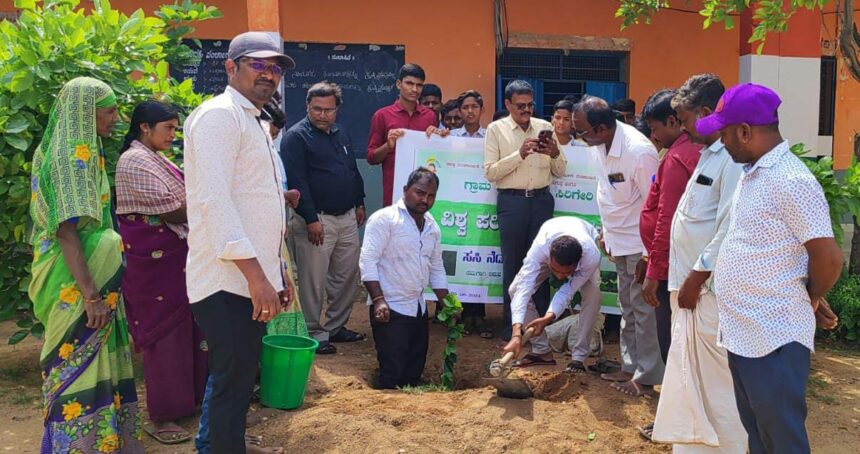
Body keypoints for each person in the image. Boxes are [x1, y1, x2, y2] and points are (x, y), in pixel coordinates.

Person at [704, 83, 842, 453]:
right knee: (759, 436)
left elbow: (828, 257)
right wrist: (805, 291)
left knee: (782, 440)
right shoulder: (756, 172)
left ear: (745, 132)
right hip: (746, 331)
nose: (721, 141)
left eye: (725, 132)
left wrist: (809, 297)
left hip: (773, 336)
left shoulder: (791, 180)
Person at [184, 31, 294, 454]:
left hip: (247, 279)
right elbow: (217, 203)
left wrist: (275, 269)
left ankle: (223, 445)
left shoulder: (251, 118)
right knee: (233, 381)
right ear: (231, 67)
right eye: (258, 65)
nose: (268, 74)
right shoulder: (219, 117)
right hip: (226, 281)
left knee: (237, 377)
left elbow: (258, 204)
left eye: (275, 68)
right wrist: (256, 277)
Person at [28, 77, 143, 453]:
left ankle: (103, 441)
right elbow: (66, 231)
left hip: (87, 277)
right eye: (109, 110)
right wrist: (91, 295)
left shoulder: (87, 150)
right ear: (84, 113)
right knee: (74, 358)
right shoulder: (68, 158)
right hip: (75, 281)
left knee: (97, 356)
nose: (116, 117)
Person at [650, 74, 746, 450]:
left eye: (687, 120)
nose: (683, 128)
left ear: (707, 113)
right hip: (690, 290)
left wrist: (695, 278)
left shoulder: (732, 160)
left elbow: (727, 227)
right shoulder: (708, 153)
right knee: (691, 379)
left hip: (708, 292)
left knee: (717, 384)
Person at [114, 100, 205, 445]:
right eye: (168, 128)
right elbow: (175, 210)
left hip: (173, 258)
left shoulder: (154, 157)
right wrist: (208, 200)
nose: (173, 134)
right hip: (154, 264)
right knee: (164, 336)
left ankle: (185, 401)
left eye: (175, 128)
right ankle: (161, 415)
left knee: (187, 330)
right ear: (144, 128)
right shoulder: (134, 160)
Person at [572, 95, 661, 397]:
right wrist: (606, 234)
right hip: (617, 240)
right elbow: (605, 191)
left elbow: (655, 205)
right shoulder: (598, 146)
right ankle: (630, 364)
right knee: (627, 306)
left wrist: (649, 255)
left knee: (643, 309)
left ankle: (647, 376)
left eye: (581, 131)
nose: (578, 137)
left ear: (601, 128)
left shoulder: (639, 151)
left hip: (639, 243)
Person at [282, 81, 367, 354]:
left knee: (347, 276)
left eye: (328, 110)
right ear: (307, 106)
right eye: (316, 109)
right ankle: (315, 333)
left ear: (337, 109)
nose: (322, 115)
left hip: (346, 217)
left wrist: (359, 201)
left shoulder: (341, 133)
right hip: (316, 219)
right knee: (312, 280)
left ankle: (336, 327)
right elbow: (298, 181)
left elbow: (351, 169)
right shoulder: (296, 137)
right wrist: (310, 218)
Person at [485, 80, 567, 340]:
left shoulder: (545, 127)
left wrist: (554, 152)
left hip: (542, 201)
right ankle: (513, 327)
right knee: (513, 265)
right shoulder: (496, 130)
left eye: (530, 105)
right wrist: (519, 154)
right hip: (512, 202)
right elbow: (491, 172)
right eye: (520, 106)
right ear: (507, 104)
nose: (526, 110)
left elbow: (561, 170)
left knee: (543, 262)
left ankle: (540, 327)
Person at [360, 167, 449, 389]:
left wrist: (446, 303)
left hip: (418, 310)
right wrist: (378, 300)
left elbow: (436, 267)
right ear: (405, 190)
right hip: (390, 309)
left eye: (431, 196)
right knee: (392, 373)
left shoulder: (432, 226)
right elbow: (367, 261)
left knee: (413, 372)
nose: (425, 200)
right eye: (420, 193)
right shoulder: (384, 220)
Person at [638, 89, 701, 364]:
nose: (654, 136)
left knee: (671, 336)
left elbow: (667, 217)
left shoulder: (677, 158)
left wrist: (654, 270)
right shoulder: (693, 150)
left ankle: (680, 401)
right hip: (684, 258)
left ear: (674, 122)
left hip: (673, 265)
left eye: (656, 129)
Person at [502, 217, 603, 372]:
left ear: (578, 263)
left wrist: (547, 318)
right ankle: (542, 351)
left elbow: (566, 291)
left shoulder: (590, 256)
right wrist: (516, 334)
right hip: (549, 235)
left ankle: (579, 358)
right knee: (515, 290)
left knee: (592, 295)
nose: (561, 276)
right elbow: (524, 290)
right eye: (555, 270)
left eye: (567, 272)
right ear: (549, 257)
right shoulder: (540, 249)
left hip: (586, 235)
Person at [367, 63, 440, 206]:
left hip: (424, 194)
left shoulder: (430, 116)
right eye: (409, 83)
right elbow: (371, 158)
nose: (414, 89)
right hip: (394, 193)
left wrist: (440, 137)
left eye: (419, 85)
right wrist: (388, 146)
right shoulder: (382, 115)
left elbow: (436, 154)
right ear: (398, 84)